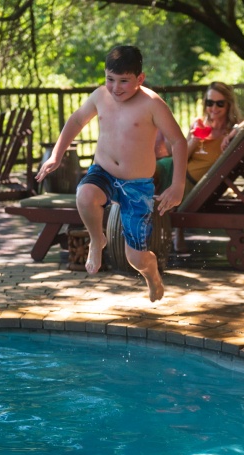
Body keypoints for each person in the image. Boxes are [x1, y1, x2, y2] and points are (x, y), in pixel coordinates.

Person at [36, 45, 188, 303]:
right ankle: (97, 240)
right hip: (104, 172)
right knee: (85, 195)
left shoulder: (152, 104)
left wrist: (177, 185)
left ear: (140, 79)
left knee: (135, 258)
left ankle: (151, 273)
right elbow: (76, 120)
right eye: (110, 79)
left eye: (124, 81)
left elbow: (178, 141)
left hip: (137, 185)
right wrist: (56, 155)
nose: (116, 87)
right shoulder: (100, 96)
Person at [155, 81, 244, 250]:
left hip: (198, 184)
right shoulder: (199, 123)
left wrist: (235, 130)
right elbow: (181, 158)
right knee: (147, 172)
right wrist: (196, 139)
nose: (213, 108)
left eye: (220, 103)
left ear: (228, 104)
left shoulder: (232, 130)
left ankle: (170, 231)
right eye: (209, 103)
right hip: (177, 172)